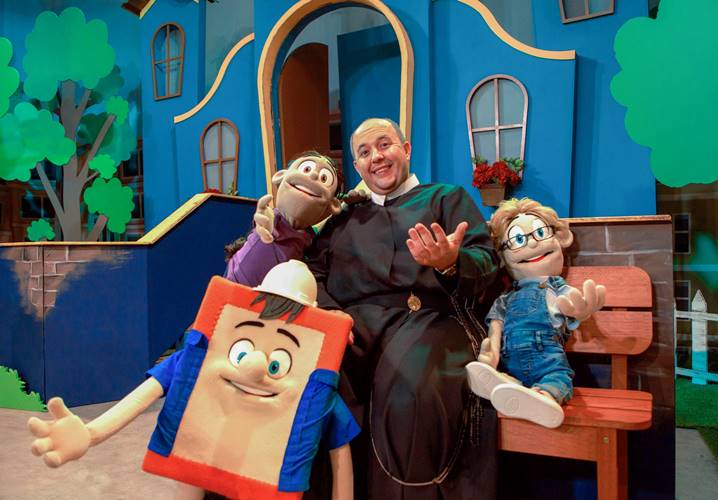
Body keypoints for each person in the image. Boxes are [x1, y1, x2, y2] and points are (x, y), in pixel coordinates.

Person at [28, 261, 358, 500]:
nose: (255, 366)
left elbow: (339, 451)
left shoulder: (315, 388)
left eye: (275, 364)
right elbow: (145, 394)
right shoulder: (202, 357)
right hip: (204, 456)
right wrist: (91, 433)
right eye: (243, 353)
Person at [305, 117, 500, 499]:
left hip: (433, 319)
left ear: (406, 150)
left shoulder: (445, 198)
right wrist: (329, 312)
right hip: (353, 327)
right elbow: (311, 271)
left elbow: (488, 263)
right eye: (365, 152)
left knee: (409, 391)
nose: (376, 157)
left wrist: (450, 262)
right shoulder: (343, 218)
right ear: (357, 167)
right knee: (308, 381)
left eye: (384, 145)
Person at [466, 198, 606, 428]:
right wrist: (491, 354)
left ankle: (544, 397)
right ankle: (509, 386)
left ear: (559, 237)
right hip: (509, 360)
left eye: (540, 233)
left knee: (559, 378)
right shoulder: (506, 296)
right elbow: (496, 325)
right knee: (506, 376)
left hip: (547, 358)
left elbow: (569, 304)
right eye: (518, 240)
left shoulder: (556, 287)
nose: (531, 244)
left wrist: (580, 310)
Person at [224, 152, 344, 287]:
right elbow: (264, 223)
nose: (313, 175)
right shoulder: (275, 220)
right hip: (234, 284)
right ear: (280, 176)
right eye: (306, 169)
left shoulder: (310, 236)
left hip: (270, 293)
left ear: (333, 205)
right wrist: (265, 224)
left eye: (324, 178)